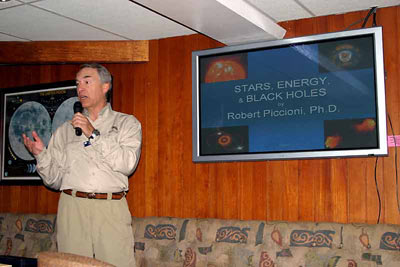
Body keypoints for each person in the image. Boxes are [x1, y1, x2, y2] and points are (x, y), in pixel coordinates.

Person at [22, 63, 141, 267]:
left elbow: (127, 164)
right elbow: (54, 180)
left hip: (110, 208)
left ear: (106, 86)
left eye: (87, 81)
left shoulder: (126, 124)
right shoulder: (64, 131)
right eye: (78, 83)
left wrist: (93, 134)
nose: (80, 88)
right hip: (72, 207)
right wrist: (41, 155)